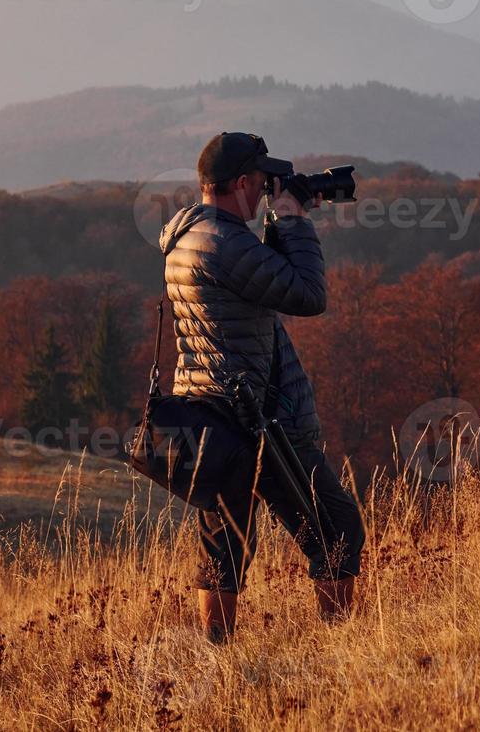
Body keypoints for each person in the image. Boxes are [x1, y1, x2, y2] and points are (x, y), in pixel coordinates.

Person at [158, 132, 365, 641]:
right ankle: (338, 645)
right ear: (243, 181)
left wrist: (279, 224)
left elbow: (257, 283)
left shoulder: (194, 234)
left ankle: (218, 652)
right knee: (336, 530)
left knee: (225, 542)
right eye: (263, 182)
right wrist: (292, 220)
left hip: (214, 414)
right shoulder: (225, 242)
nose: (267, 191)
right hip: (258, 417)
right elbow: (307, 294)